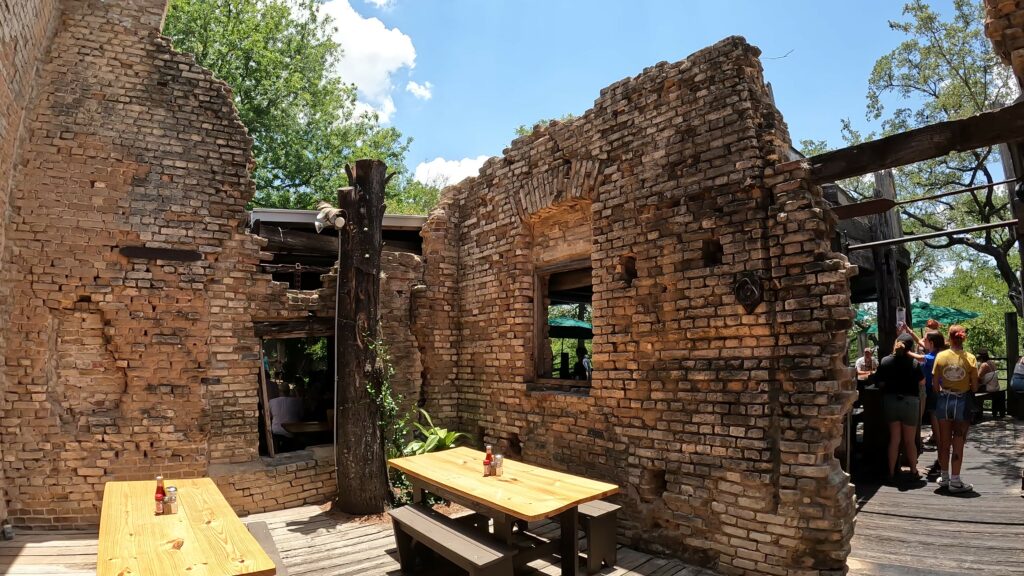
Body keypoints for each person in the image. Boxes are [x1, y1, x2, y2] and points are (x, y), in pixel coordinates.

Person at [932, 325, 978, 493]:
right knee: (958, 440)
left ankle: (944, 478)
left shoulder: (940, 356)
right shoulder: (970, 358)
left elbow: (935, 385)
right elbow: (974, 387)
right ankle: (955, 481)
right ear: (963, 338)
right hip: (962, 401)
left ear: (949, 339)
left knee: (944, 441)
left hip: (944, 401)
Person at [875, 333, 924, 484]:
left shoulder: (885, 361)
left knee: (894, 439)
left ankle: (891, 472)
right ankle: (914, 472)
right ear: (911, 347)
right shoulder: (914, 363)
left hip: (891, 401)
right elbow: (922, 382)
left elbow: (879, 381)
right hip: (910, 402)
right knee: (909, 441)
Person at [270, 384, 305, 452]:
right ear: (289, 391)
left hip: (277, 431)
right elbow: (301, 416)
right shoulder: (297, 401)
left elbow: (269, 416)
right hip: (292, 432)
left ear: (278, 391)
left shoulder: (272, 401)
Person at [975, 350, 1002, 420]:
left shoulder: (984, 365)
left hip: (989, 388)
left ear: (980, 357)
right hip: (995, 387)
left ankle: (976, 413)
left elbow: (977, 377)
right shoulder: (992, 362)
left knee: (973, 390)